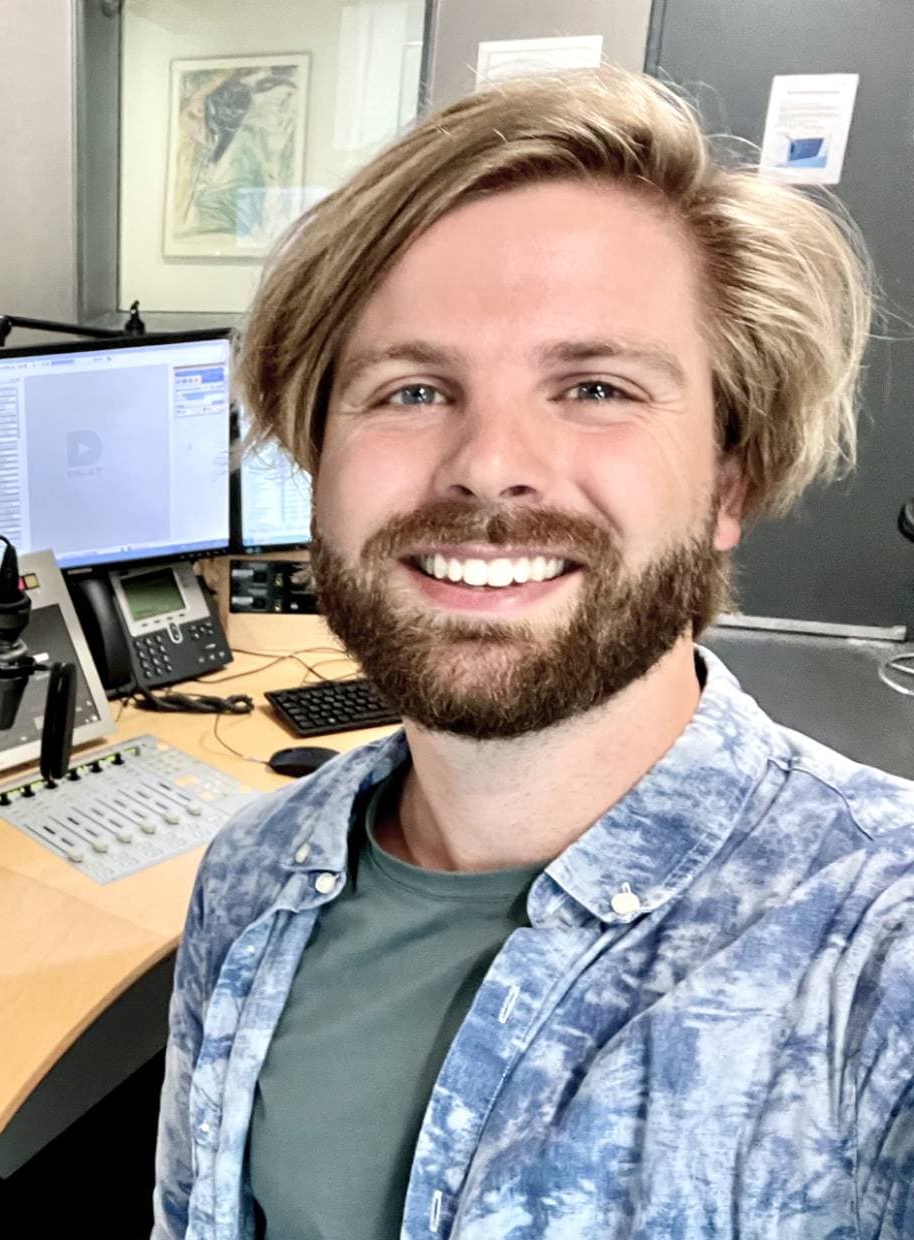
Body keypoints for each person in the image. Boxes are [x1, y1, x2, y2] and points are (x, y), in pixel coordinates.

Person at [154, 67, 912, 1239]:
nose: (487, 464)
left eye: (595, 386)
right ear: (316, 460)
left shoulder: (877, 960)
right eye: (411, 390)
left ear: (729, 478)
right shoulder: (255, 881)